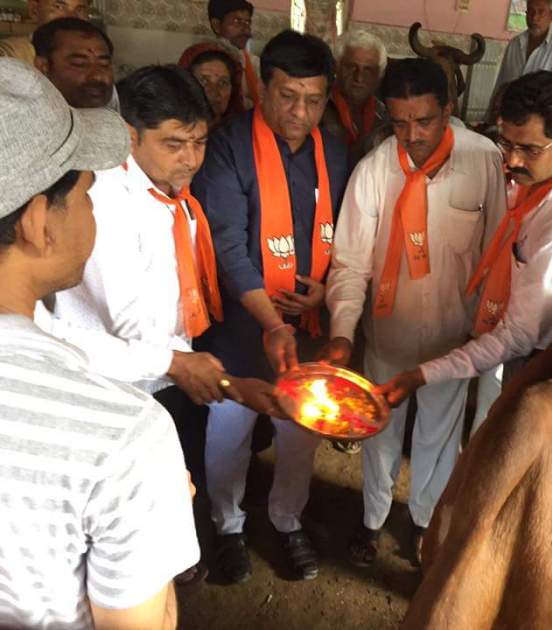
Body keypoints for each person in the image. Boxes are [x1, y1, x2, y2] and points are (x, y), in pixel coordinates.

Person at [37, 64, 282, 584]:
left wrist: (207, 373)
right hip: (119, 386)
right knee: (126, 507)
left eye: (199, 142)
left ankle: (179, 560)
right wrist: (218, 380)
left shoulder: (172, 193)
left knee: (178, 473)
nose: (191, 158)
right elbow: (124, 325)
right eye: (174, 144)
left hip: (168, 371)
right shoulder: (103, 202)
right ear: (130, 135)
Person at [0, 57, 198, 630]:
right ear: (38, 222)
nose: (94, 207)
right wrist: (157, 525)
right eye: (88, 193)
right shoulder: (125, 437)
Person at [320, 57, 507, 567]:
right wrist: (342, 333)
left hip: (453, 335)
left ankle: (424, 520)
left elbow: (497, 251)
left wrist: (483, 329)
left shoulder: (484, 160)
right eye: (400, 123)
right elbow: (351, 263)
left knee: (439, 435)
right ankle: (371, 519)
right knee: (380, 428)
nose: (412, 135)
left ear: (448, 110)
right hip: (389, 334)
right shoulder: (374, 170)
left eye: (424, 121)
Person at [379, 70, 552, 439]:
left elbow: (517, 337)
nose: (512, 161)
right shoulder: (547, 173)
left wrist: (420, 375)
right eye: (506, 143)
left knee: (514, 436)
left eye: (529, 149)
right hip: (518, 323)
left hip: (549, 356)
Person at [192, 30, 349, 584]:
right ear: (263, 85)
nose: (300, 113)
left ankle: (287, 519)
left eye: (314, 100)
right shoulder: (228, 147)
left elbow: (348, 236)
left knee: (300, 434)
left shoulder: (333, 151)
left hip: (306, 326)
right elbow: (228, 247)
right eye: (288, 96)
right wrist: (270, 321)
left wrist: (327, 289)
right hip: (243, 326)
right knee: (228, 435)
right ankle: (228, 524)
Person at [487, 0, 552, 122]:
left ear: (551, 16)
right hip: (511, 119)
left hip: (542, 123)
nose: (534, 18)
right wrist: (490, 117)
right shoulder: (515, 44)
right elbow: (502, 83)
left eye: (541, 12)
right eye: (531, 11)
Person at [322, 29, 388, 163]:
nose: (359, 78)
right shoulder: (318, 107)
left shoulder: (385, 117)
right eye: (351, 67)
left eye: (368, 70)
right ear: (337, 67)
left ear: (380, 75)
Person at [31, 17, 114, 109]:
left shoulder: (113, 115)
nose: (97, 76)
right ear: (43, 67)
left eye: (104, 64)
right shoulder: (25, 115)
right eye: (79, 63)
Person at [208, 0, 261, 109]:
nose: (245, 29)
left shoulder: (254, 63)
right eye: (237, 21)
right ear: (216, 25)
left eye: (248, 22)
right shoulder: (205, 61)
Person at [0, 0, 88, 64]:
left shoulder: (92, 57)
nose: (71, 18)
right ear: (34, 10)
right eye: (58, 7)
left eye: (79, 10)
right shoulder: (11, 53)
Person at [179, 43, 244, 129]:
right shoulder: (168, 132)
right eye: (204, 81)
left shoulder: (240, 132)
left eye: (223, 82)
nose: (214, 92)